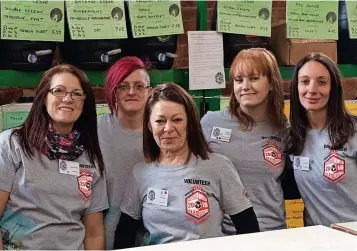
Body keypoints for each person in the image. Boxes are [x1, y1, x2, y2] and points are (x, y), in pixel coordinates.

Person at [114, 83, 259, 249]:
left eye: (177, 120)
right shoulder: (140, 173)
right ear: (149, 126)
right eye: (160, 121)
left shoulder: (218, 167)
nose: (168, 128)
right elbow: (124, 235)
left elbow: (249, 229)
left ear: (189, 124)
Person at [0, 64, 108, 250]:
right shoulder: (12, 143)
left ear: (84, 104)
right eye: (59, 91)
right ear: (43, 97)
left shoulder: (91, 157)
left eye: (76, 93)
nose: (68, 99)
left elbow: (94, 232)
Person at [201, 48, 299, 233]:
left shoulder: (284, 130)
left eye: (254, 78)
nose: (245, 86)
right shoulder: (209, 123)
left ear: (271, 83)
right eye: (239, 80)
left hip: (271, 233)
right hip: (223, 236)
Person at [288, 52, 357, 226]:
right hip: (318, 240)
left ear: (333, 87)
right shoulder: (292, 136)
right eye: (305, 81)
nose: (312, 90)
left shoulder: (353, 132)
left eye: (322, 82)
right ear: (296, 87)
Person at [98, 56, 152, 249]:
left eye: (139, 86)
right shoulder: (95, 132)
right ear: (113, 91)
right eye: (123, 86)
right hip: (102, 235)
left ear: (149, 92)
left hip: (151, 235)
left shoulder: (163, 133)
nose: (131, 92)